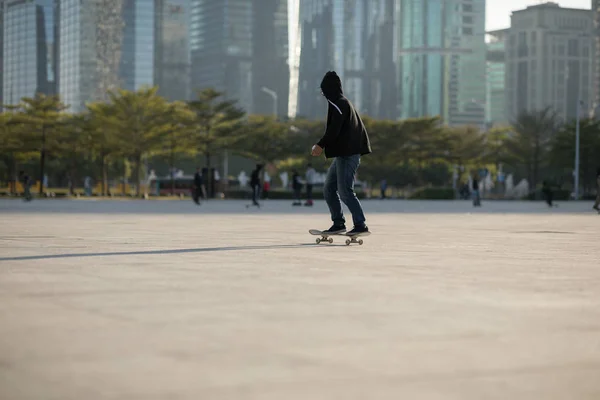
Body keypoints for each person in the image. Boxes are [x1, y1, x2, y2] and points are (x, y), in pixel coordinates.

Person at [310, 70, 371, 235]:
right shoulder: (342, 102)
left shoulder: (339, 103)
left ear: (329, 90)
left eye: (324, 91)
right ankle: (338, 223)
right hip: (343, 154)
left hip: (348, 154)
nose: (323, 95)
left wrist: (320, 145)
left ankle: (361, 224)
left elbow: (333, 130)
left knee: (345, 190)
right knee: (329, 188)